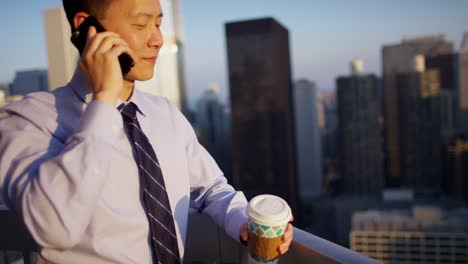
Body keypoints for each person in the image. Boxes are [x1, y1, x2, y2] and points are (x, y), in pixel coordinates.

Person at [0, 0, 293, 263]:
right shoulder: (26, 121)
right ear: (86, 26)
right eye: (141, 25)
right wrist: (104, 101)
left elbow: (211, 189)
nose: (157, 40)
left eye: (158, 24)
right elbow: (53, 226)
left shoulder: (164, 113)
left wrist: (243, 222)